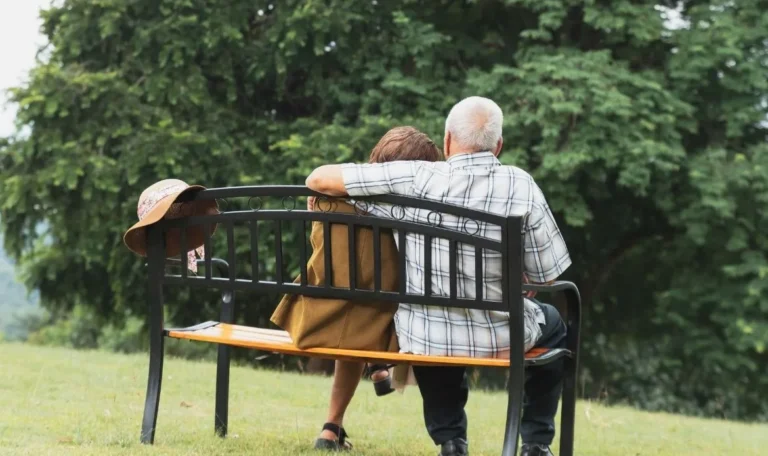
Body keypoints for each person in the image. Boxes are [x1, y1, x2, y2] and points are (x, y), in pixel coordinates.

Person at [305, 97, 571, 456]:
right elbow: (546, 276)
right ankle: (536, 443)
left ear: (447, 141)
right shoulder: (522, 185)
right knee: (555, 323)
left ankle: (450, 439)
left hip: (428, 338)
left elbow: (318, 178)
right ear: (499, 146)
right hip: (503, 337)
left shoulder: (414, 177)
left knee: (434, 329)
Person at [271, 126, 441, 451]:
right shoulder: (411, 214)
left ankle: (331, 430)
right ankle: (374, 368)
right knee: (364, 308)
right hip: (373, 326)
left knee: (351, 304)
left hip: (313, 318)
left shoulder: (326, 199)